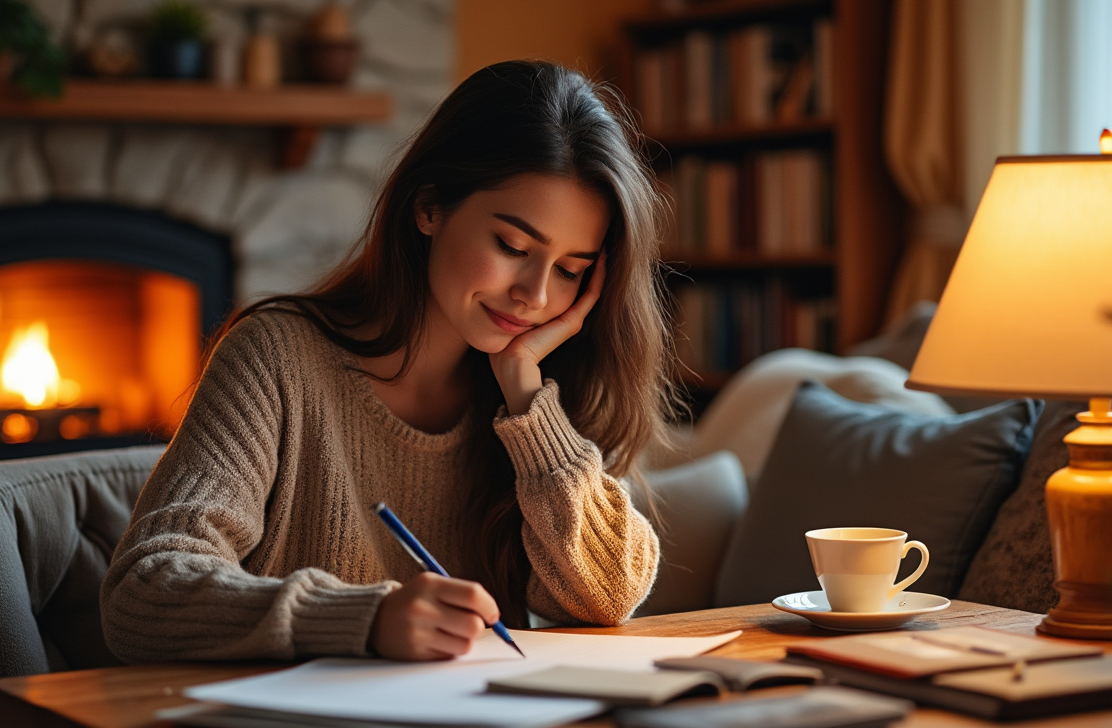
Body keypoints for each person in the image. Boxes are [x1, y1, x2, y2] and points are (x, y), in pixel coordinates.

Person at [100, 60, 679, 663]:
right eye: (511, 246)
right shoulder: (277, 358)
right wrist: (363, 618)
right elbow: (142, 594)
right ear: (429, 208)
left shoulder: (539, 392)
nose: (535, 296)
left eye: (570, 270)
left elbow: (607, 597)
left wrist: (531, 408)